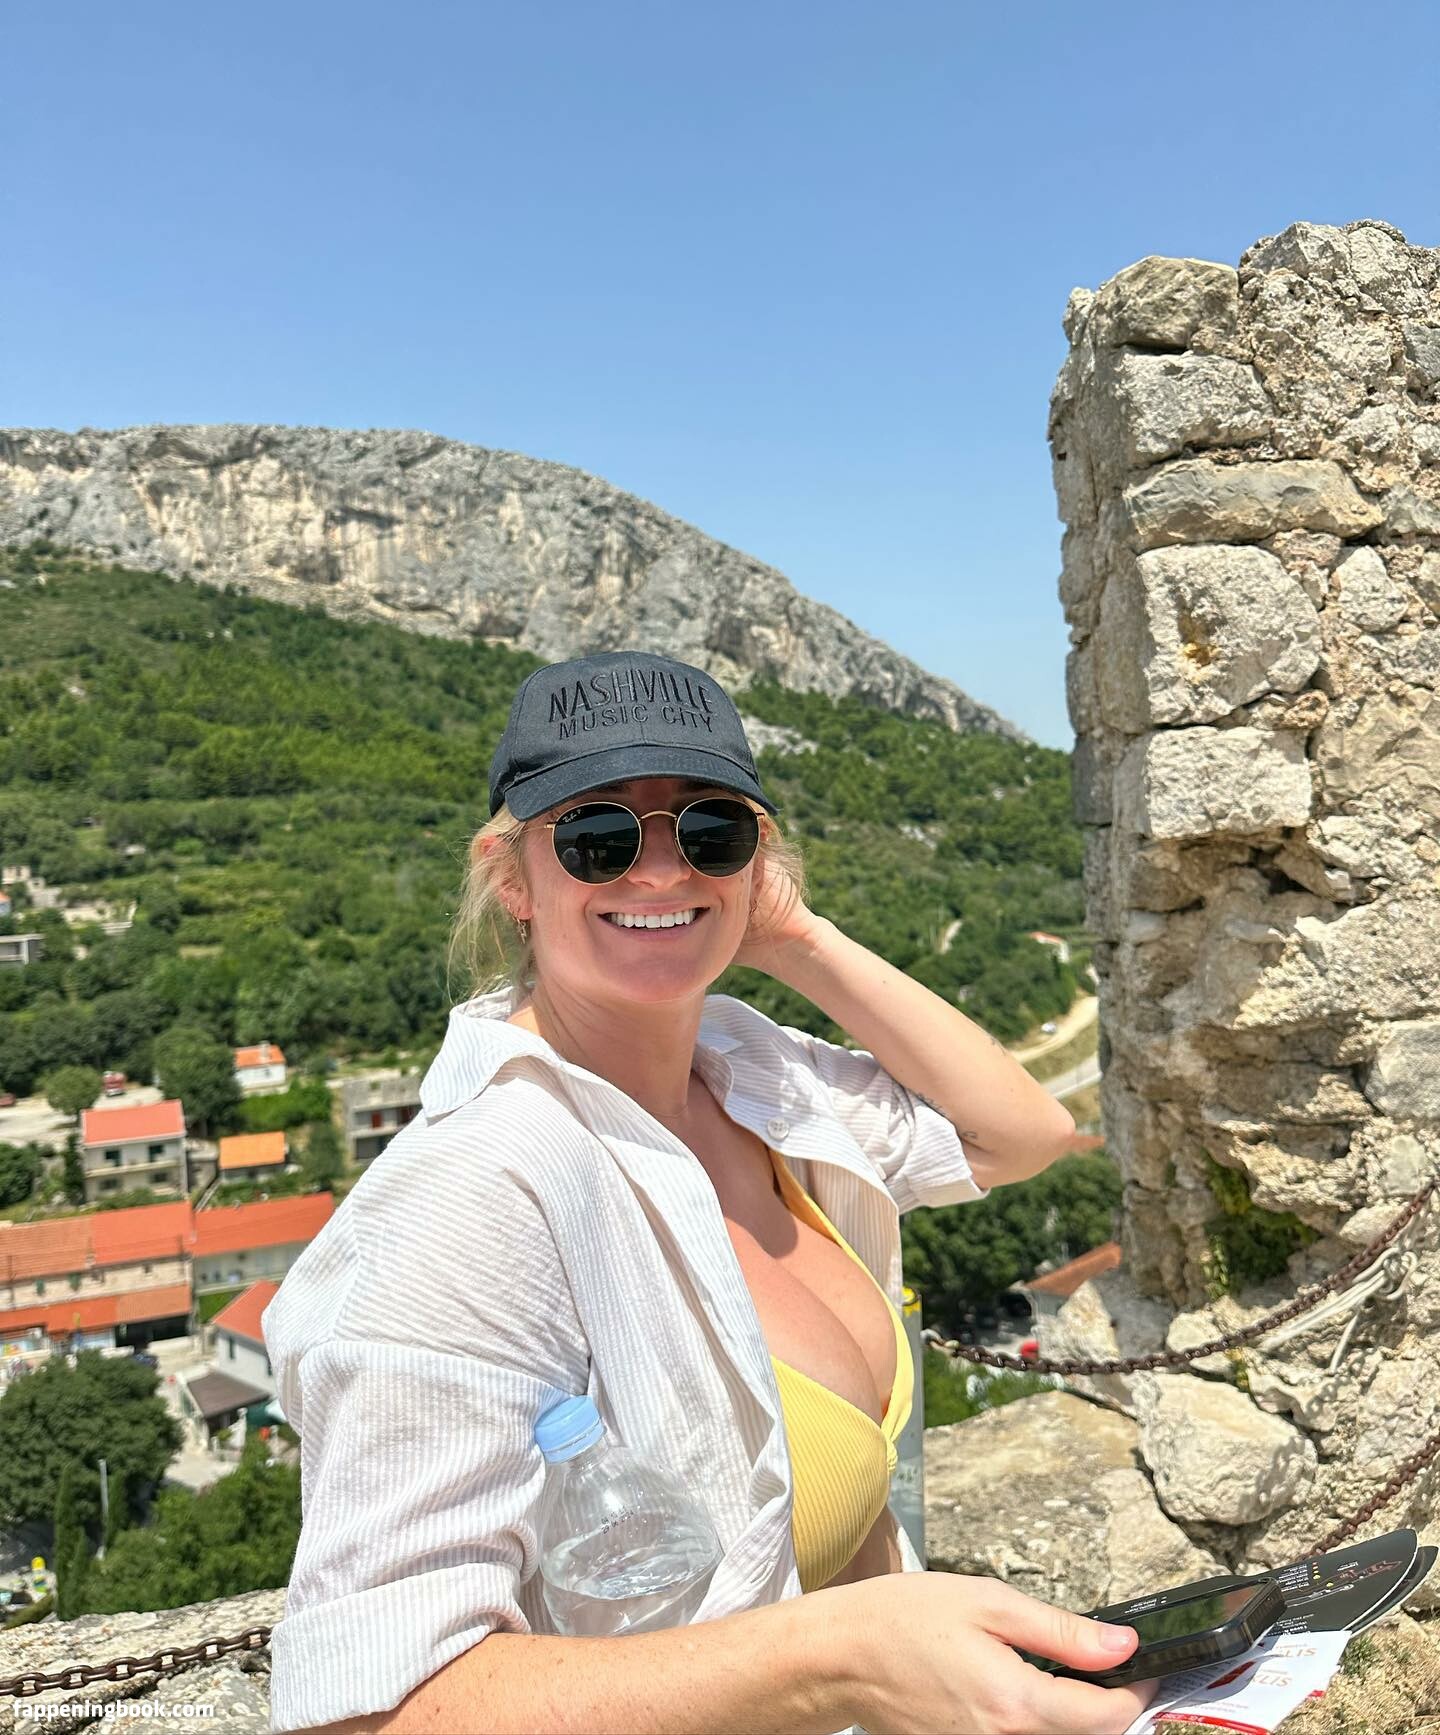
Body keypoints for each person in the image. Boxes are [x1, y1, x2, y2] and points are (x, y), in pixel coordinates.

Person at [263, 650, 1154, 1735]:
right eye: (598, 836)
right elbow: (373, 1710)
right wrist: (833, 1664)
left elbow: (1019, 1135)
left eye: (710, 831)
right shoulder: (474, 1197)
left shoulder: (749, 1073)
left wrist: (798, 938)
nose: (658, 872)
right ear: (512, 878)